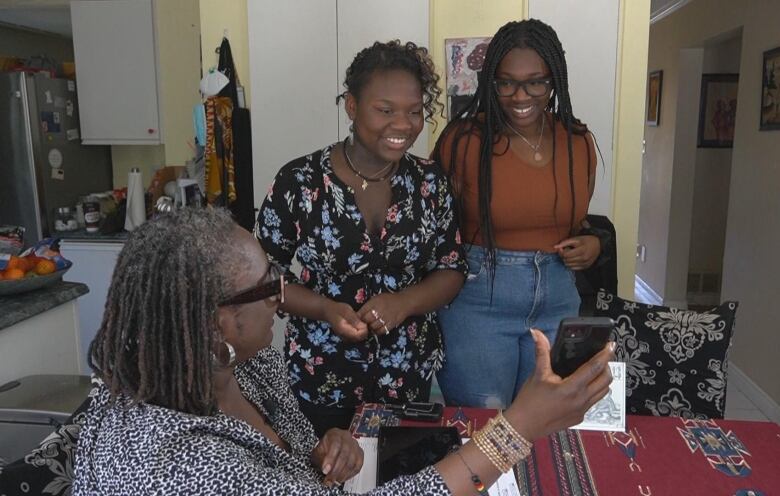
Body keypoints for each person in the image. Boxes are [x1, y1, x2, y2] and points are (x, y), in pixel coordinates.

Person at [73, 207, 614, 495]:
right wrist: (514, 431)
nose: (282, 299)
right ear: (219, 323)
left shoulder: (241, 364)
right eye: (270, 286)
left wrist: (320, 445)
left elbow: (283, 462)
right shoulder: (176, 465)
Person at [254, 40, 467, 436]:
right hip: (321, 378)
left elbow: (451, 268)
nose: (403, 124)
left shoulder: (430, 182)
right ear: (352, 107)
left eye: (415, 111)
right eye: (385, 110)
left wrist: (404, 303)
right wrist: (325, 309)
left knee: (397, 478)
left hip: (407, 376)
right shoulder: (299, 182)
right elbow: (261, 278)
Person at [432, 19, 604, 409]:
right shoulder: (464, 142)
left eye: (536, 82)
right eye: (505, 82)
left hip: (559, 299)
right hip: (478, 300)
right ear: (489, 82)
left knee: (548, 425)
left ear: (554, 81)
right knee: (483, 430)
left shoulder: (577, 141)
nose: (519, 95)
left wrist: (593, 243)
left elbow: (576, 221)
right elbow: (434, 228)